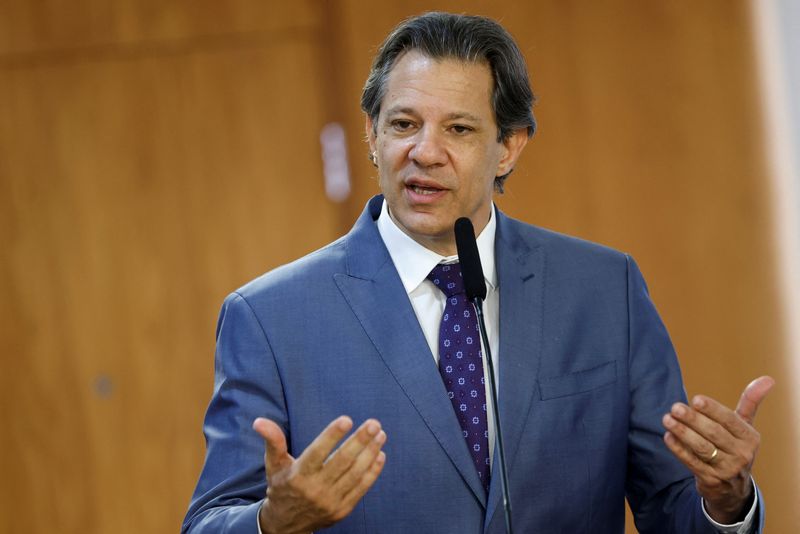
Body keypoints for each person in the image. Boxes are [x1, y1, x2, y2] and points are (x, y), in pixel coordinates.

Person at [182, 12, 774, 534]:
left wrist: (727, 502)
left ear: (509, 146)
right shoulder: (269, 317)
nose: (425, 152)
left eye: (459, 130)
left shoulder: (603, 290)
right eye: (403, 124)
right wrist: (270, 524)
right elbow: (209, 520)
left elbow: (672, 507)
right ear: (371, 134)